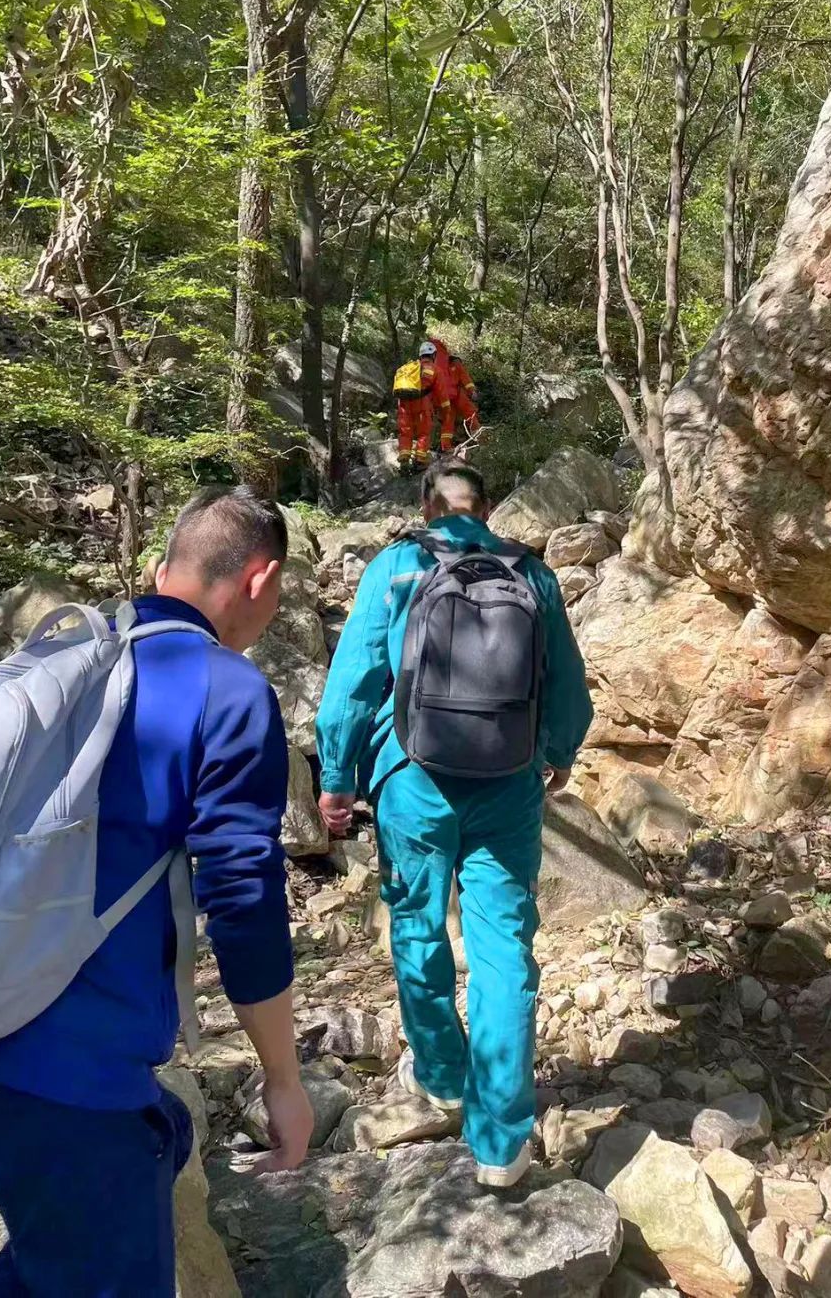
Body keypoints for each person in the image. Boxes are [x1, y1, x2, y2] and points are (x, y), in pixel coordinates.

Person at [0, 485, 313, 1296]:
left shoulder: (53, 661)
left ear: (160, 564)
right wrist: (283, 1079)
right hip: (61, 1071)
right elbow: (243, 896)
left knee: (162, 1138)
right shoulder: (228, 689)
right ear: (258, 580)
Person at [315, 462, 593, 1188]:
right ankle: (502, 1143)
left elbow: (351, 687)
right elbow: (567, 683)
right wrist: (556, 752)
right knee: (503, 950)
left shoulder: (397, 566)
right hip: (507, 784)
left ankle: (442, 1074)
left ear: (425, 506)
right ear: (489, 508)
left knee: (416, 923)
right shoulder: (531, 575)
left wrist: (338, 780)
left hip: (413, 779)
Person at [393, 341, 447, 472]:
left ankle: (404, 460)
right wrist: (445, 409)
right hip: (422, 404)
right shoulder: (435, 369)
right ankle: (420, 461)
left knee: (405, 432)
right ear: (433, 355)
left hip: (404, 404)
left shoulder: (409, 367)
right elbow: (441, 393)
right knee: (424, 433)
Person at [429, 337, 480, 453]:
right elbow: (465, 379)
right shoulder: (455, 363)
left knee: (448, 421)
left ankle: (446, 447)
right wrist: (472, 391)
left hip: (441, 398)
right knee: (469, 411)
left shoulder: (429, 365)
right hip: (456, 395)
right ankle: (479, 435)